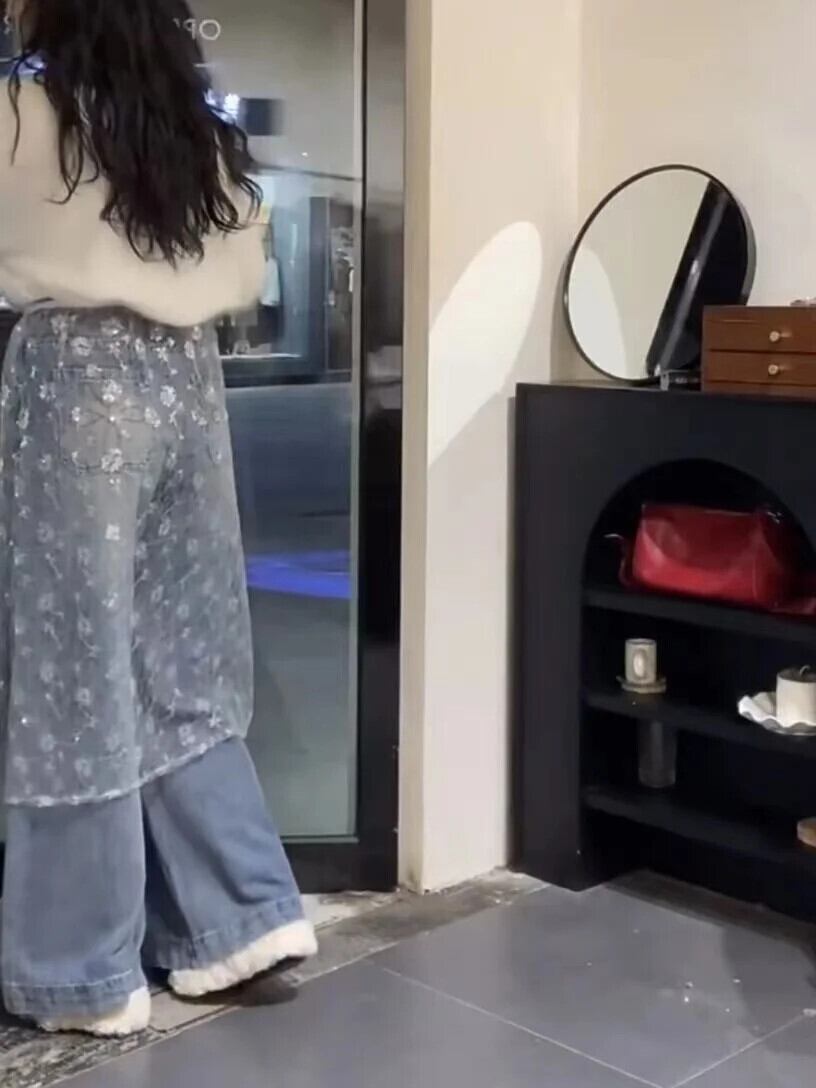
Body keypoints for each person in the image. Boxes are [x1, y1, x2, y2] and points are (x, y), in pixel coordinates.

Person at [0, 0, 317, 1036]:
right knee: (183, 651)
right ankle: (239, 916)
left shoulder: (25, 110)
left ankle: (82, 969)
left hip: (75, 376)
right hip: (187, 380)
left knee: (74, 667)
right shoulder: (190, 124)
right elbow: (244, 263)